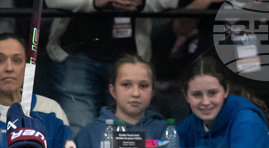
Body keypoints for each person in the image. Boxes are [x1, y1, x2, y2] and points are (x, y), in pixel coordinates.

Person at [45, 0, 177, 137]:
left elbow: (172, 2)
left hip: (130, 57)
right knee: (78, 130)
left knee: (127, 134)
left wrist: (143, 2)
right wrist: (93, 2)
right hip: (77, 52)